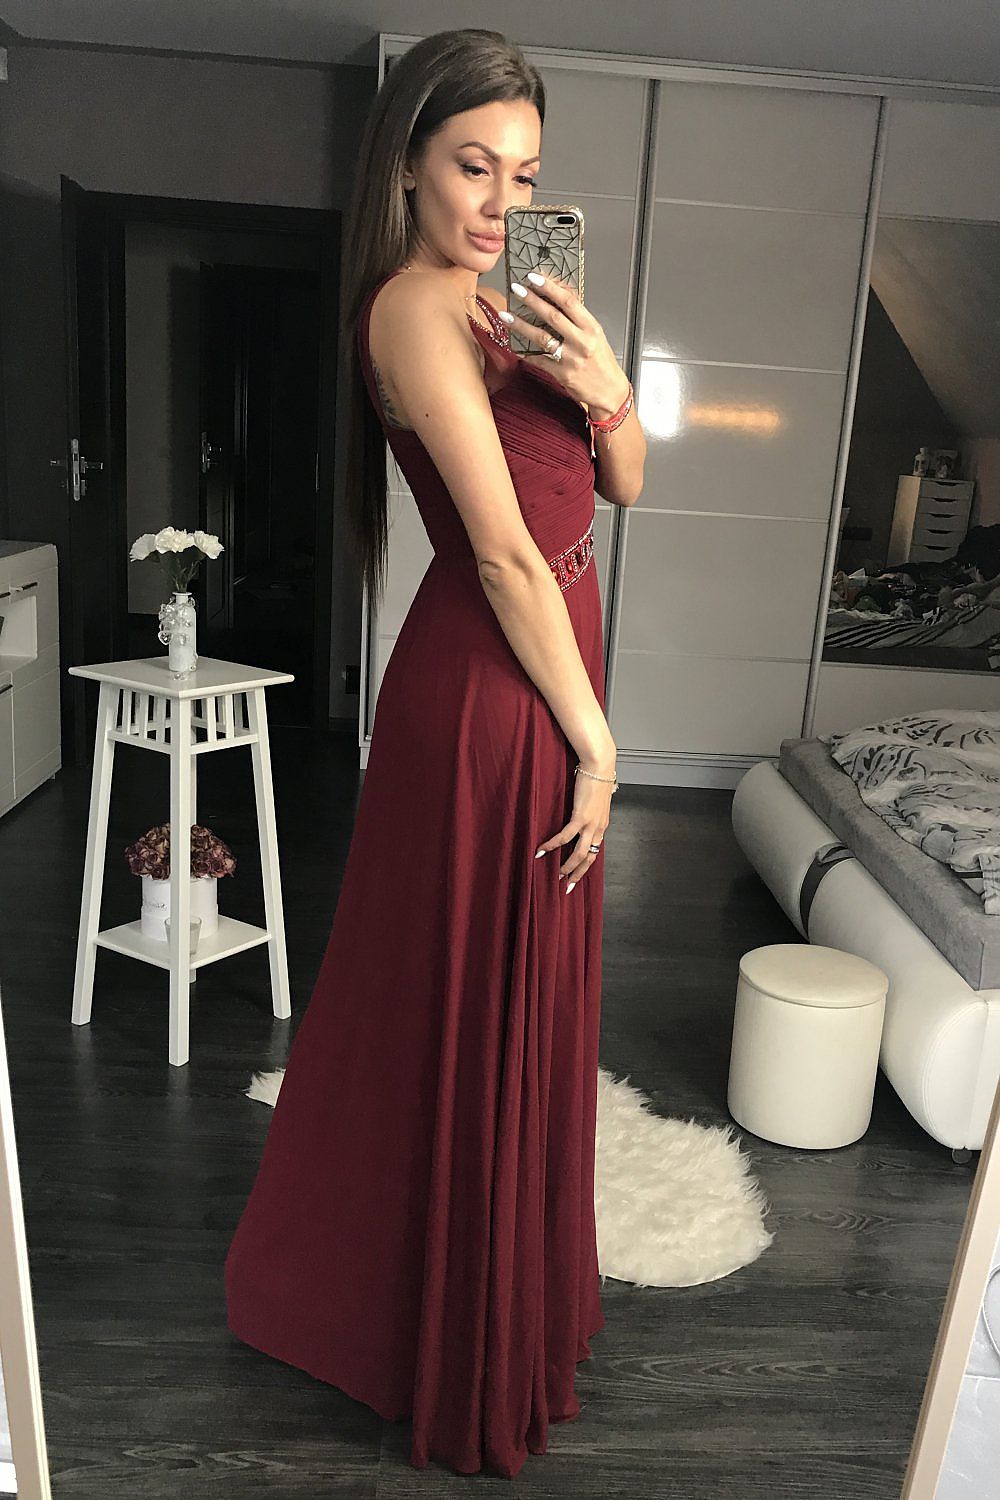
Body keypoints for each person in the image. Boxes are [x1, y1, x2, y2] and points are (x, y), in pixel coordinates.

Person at [224, 26, 646, 1480]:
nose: (497, 199)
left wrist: (605, 379)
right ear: (407, 162)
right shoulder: (412, 307)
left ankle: (500, 1289)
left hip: (548, 677)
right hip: (493, 691)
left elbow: (626, 480)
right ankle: (438, 1322)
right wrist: (600, 745)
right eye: (473, 165)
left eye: (523, 173)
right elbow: (509, 557)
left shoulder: (516, 302)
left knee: (512, 992)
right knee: (464, 991)